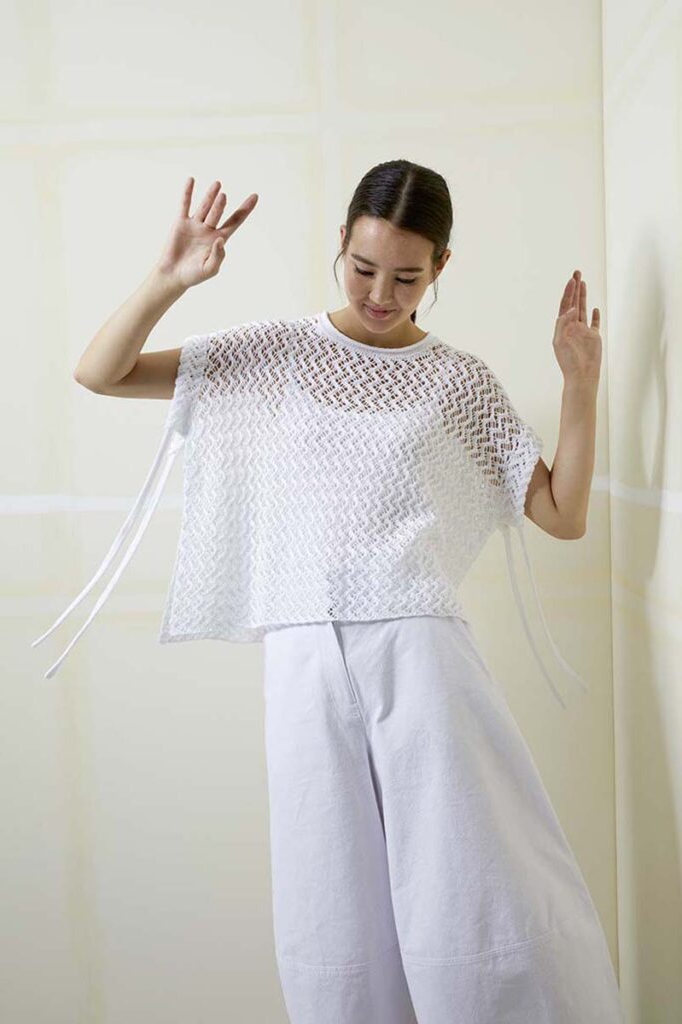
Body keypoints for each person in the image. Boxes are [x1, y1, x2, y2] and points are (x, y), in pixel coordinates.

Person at [32, 161, 624, 1023]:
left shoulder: (458, 381)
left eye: (407, 278)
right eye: (364, 267)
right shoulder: (275, 350)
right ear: (340, 243)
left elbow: (560, 514)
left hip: (422, 654)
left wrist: (579, 385)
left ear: (441, 266)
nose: (381, 294)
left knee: (470, 885)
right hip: (302, 654)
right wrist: (169, 277)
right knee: (330, 912)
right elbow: (101, 372)